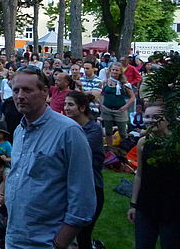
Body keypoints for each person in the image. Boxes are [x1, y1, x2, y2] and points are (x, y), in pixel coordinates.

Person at [5, 67, 96, 249]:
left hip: (47, 241)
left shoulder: (69, 132)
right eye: (16, 90)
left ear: (45, 92)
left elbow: (83, 196)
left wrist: (60, 242)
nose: (20, 96)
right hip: (15, 237)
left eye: (27, 90)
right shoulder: (19, 130)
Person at [127, 101, 180, 249]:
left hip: (173, 207)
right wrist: (133, 204)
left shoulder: (176, 144)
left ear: (168, 119)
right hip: (146, 205)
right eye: (147, 116)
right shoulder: (143, 143)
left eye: (156, 116)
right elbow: (139, 175)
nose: (150, 120)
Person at [64, 91, 105, 249]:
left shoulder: (93, 130)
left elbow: (74, 152)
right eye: (65, 104)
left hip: (92, 188)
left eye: (70, 104)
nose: (66, 108)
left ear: (82, 108)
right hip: (71, 187)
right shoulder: (68, 126)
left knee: (82, 235)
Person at [101, 62, 135, 146]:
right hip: (107, 109)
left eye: (117, 70)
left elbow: (132, 97)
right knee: (108, 131)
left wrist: (126, 106)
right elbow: (101, 94)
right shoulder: (106, 82)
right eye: (113, 70)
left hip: (120, 110)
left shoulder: (124, 83)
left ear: (120, 72)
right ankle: (110, 148)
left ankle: (123, 148)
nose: (114, 72)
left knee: (123, 132)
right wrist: (101, 104)